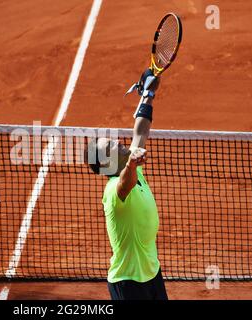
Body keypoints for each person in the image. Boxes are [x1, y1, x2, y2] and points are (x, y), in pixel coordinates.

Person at [86, 69, 168, 300]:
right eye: (112, 146)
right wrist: (131, 165)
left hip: (151, 271)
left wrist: (148, 96)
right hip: (128, 281)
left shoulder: (131, 164)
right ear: (106, 163)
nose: (119, 143)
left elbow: (140, 130)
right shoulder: (113, 190)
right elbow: (125, 185)